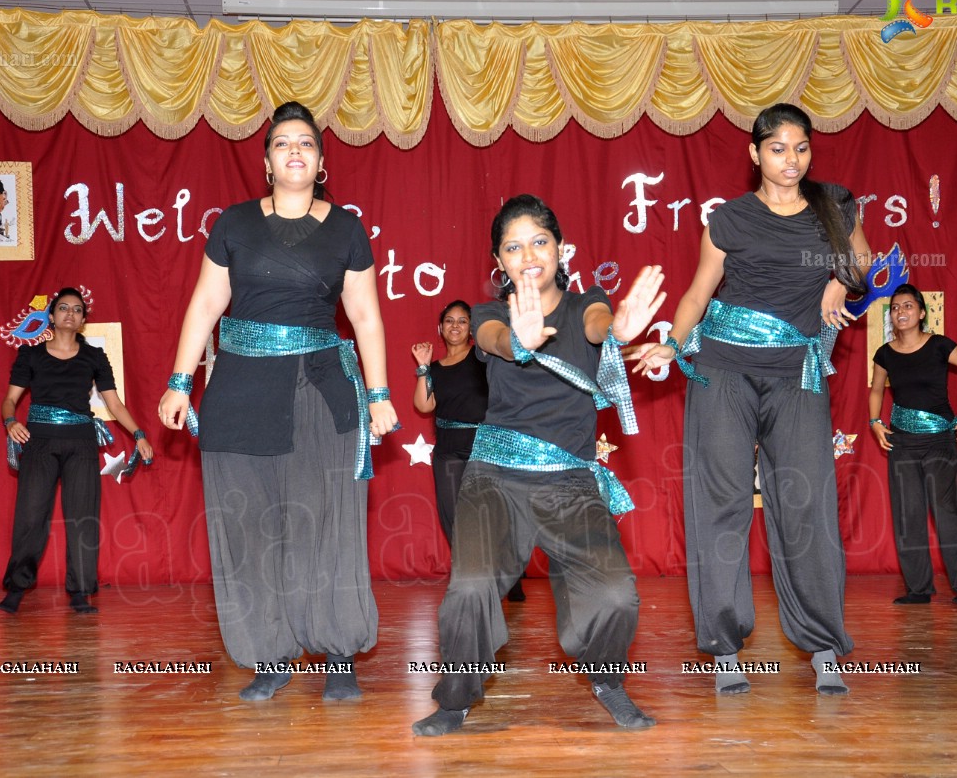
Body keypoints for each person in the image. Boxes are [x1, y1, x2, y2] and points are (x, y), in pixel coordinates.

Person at [159, 101, 398, 701]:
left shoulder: (345, 228)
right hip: (240, 393)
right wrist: (179, 380)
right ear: (266, 161)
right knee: (248, 525)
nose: (295, 151)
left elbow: (366, 315)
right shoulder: (234, 224)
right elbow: (205, 306)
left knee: (329, 524)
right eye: (283, 143)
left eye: (307, 144)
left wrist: (379, 394)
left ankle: (338, 653)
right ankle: (270, 654)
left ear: (320, 162)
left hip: (322, 392)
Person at [633, 103, 870, 695]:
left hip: (797, 374)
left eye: (802, 148)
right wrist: (670, 345)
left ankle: (822, 645)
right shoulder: (729, 220)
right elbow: (695, 295)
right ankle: (723, 647)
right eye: (779, 149)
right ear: (755, 154)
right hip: (723, 370)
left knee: (806, 504)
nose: (792, 160)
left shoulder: (835, 205)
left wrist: (842, 277)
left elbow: (869, 266)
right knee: (722, 505)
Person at [412, 194, 665, 736]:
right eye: (513, 246)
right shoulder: (488, 316)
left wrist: (617, 330)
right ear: (499, 263)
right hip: (495, 479)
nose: (528, 254)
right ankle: (455, 699)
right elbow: (492, 340)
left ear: (561, 249)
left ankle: (608, 680)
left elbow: (598, 325)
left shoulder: (586, 303)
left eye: (539, 241)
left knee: (616, 593)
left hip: (571, 482)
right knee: (471, 587)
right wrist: (517, 341)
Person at [0, 286, 153, 614]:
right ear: (51, 316)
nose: (71, 313)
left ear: (83, 320)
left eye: (78, 309)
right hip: (38, 442)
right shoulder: (31, 355)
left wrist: (138, 433)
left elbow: (113, 403)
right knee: (30, 515)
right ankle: (16, 587)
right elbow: (10, 399)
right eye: (64, 308)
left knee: (83, 516)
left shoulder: (93, 357)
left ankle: (81, 591)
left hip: (81, 443)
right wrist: (11, 421)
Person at [868, 284, 957, 606]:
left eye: (907, 306)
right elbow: (876, 390)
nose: (900, 312)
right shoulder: (885, 353)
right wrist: (874, 421)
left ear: (921, 313)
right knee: (909, 515)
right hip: (901, 442)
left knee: (947, 513)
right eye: (895, 308)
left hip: (939, 441)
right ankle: (918, 589)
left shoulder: (939, 346)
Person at [412, 303, 526, 602]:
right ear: (440, 328)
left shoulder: (482, 360)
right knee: (452, 515)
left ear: (472, 328)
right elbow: (424, 406)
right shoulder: (434, 369)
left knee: (490, 515)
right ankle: (473, 575)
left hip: (483, 446)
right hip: (448, 449)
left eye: (463, 321)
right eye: (449, 321)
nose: (455, 326)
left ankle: (507, 572)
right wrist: (423, 366)